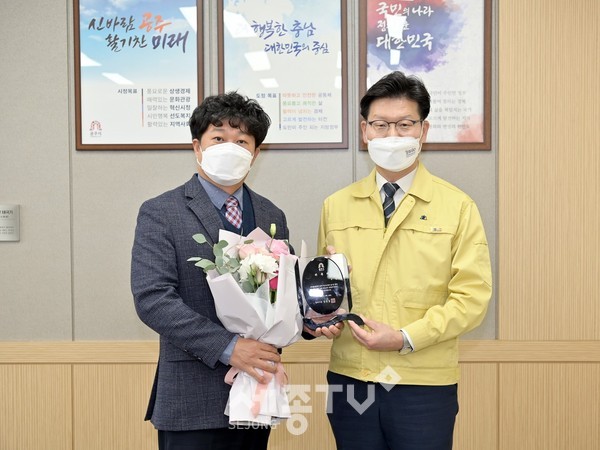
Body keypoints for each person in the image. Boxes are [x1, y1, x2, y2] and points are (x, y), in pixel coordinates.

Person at [317, 71, 492, 450]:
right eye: (381, 125)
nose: (392, 135)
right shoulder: (336, 206)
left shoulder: (458, 206)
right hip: (351, 376)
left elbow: (472, 298)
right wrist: (322, 318)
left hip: (423, 381)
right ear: (365, 131)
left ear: (423, 130)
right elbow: (326, 289)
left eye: (405, 124)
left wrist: (404, 338)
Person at [131, 92, 287, 450]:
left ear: (255, 153)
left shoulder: (271, 215)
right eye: (218, 138)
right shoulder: (161, 212)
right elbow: (153, 299)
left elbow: (280, 295)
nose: (230, 148)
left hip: (256, 395)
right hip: (191, 399)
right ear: (197, 147)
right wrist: (229, 347)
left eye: (241, 141)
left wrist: (316, 316)